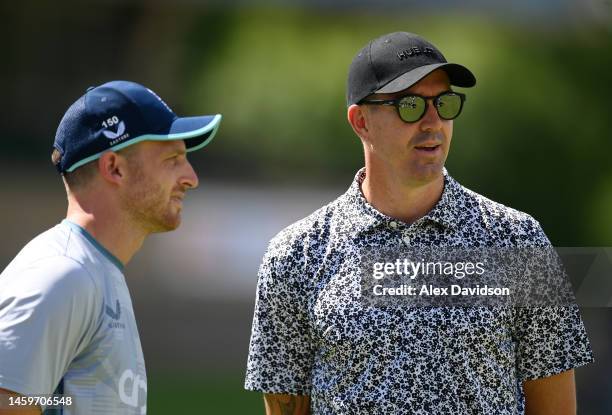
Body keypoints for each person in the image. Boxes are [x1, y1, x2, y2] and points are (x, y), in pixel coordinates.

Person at [244, 32, 593, 414]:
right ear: (361, 121)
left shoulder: (517, 240)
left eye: (443, 103)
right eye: (410, 105)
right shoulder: (296, 254)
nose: (433, 122)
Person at [0, 80, 222, 414]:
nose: (191, 177)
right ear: (114, 168)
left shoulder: (93, 271)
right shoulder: (62, 275)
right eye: (173, 159)